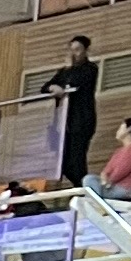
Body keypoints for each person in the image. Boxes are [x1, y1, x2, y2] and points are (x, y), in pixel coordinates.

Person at [51, 38, 103, 186]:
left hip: (81, 121)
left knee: (77, 160)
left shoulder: (90, 69)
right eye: (72, 50)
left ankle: (85, 188)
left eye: (78, 50)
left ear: (86, 51)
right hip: (64, 123)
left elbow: (76, 82)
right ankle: (81, 186)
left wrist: (69, 70)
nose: (74, 53)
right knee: (63, 163)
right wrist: (53, 87)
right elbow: (46, 86)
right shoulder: (64, 71)